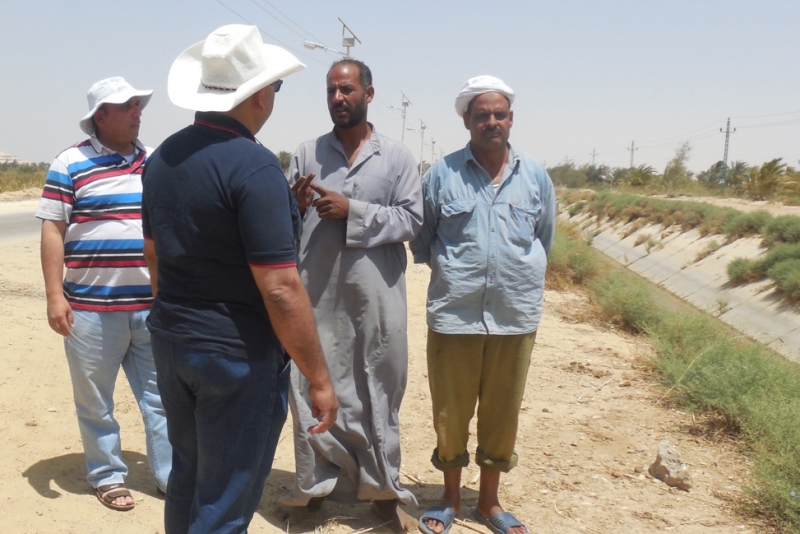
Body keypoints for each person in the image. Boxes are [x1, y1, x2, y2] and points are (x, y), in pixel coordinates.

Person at [140, 25, 338, 534]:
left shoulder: (161, 158)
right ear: (258, 94)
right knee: (225, 501)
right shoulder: (253, 166)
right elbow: (279, 287)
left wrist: (178, 318)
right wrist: (318, 378)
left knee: (187, 474)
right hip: (235, 356)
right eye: (274, 86)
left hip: (172, 341)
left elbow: (155, 252)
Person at [409, 76, 556, 534]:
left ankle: (489, 502)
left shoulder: (535, 176)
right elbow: (424, 237)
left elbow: (543, 239)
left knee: (501, 412)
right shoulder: (441, 174)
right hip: (455, 314)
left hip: (515, 315)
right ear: (466, 121)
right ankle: (450, 498)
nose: (491, 121)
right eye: (481, 115)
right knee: (450, 412)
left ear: (511, 119)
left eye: (499, 114)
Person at [281, 59, 423, 532]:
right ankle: (314, 489)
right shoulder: (306, 153)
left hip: (375, 297)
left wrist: (353, 211)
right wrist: (296, 206)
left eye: (346, 89)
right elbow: (282, 221)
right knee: (312, 387)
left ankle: (382, 490)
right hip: (316, 292)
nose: (338, 98)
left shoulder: (397, 157)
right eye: (330, 92)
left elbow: (412, 220)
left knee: (377, 385)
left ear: (368, 93)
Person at [37, 76, 172, 511]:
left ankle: (171, 477)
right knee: (95, 401)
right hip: (90, 311)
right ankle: (107, 475)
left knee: (162, 399)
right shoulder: (69, 163)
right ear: (101, 116)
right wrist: (54, 296)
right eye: (128, 106)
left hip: (151, 309)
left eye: (139, 105)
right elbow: (53, 229)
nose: (138, 113)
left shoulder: (155, 161)